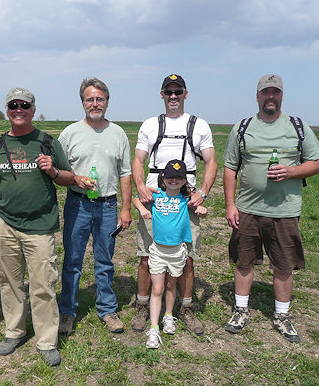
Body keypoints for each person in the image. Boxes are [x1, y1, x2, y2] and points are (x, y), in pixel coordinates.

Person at [223, 74, 319, 343]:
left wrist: (291, 171)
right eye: (265, 92)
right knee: (244, 261)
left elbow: (316, 164)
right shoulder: (242, 127)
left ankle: (282, 316)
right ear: (257, 96)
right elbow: (230, 167)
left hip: (285, 210)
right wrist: (231, 205)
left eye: (275, 92)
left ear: (281, 96)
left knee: (284, 265)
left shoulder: (297, 126)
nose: (271, 97)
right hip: (247, 208)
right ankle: (241, 310)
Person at [0, 87, 74, 366]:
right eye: (13, 106)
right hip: (4, 224)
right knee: (9, 282)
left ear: (33, 109)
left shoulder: (47, 143)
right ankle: (14, 331)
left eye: (24, 105)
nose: (18, 110)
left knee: (43, 284)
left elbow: (69, 177)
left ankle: (46, 341)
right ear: (7, 111)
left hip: (40, 226)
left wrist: (53, 171)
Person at [131, 74, 217, 335]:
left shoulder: (198, 125)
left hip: (186, 200)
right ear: (161, 94)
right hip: (155, 199)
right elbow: (138, 160)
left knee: (188, 258)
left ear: (185, 94)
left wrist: (202, 192)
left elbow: (211, 162)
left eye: (177, 91)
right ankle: (143, 304)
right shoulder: (150, 125)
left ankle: (186, 307)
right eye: (168, 92)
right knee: (147, 257)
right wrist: (141, 188)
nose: (173, 96)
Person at [57, 77, 132, 335]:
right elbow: (59, 171)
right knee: (72, 260)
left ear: (107, 102)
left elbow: (125, 173)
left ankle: (108, 310)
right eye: (90, 99)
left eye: (100, 99)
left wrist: (125, 208)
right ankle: (67, 311)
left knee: (105, 260)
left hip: (108, 207)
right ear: (82, 102)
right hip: (78, 205)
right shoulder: (69, 133)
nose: (95, 103)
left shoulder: (118, 133)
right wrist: (75, 178)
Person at [132, 160, 207, 349]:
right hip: (157, 251)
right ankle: (154, 328)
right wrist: (142, 209)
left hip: (177, 252)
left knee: (171, 285)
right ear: (163, 178)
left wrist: (201, 209)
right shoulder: (156, 195)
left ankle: (168, 317)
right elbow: (135, 199)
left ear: (184, 181)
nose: (174, 180)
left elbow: (200, 209)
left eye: (179, 177)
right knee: (157, 289)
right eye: (170, 177)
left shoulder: (186, 200)